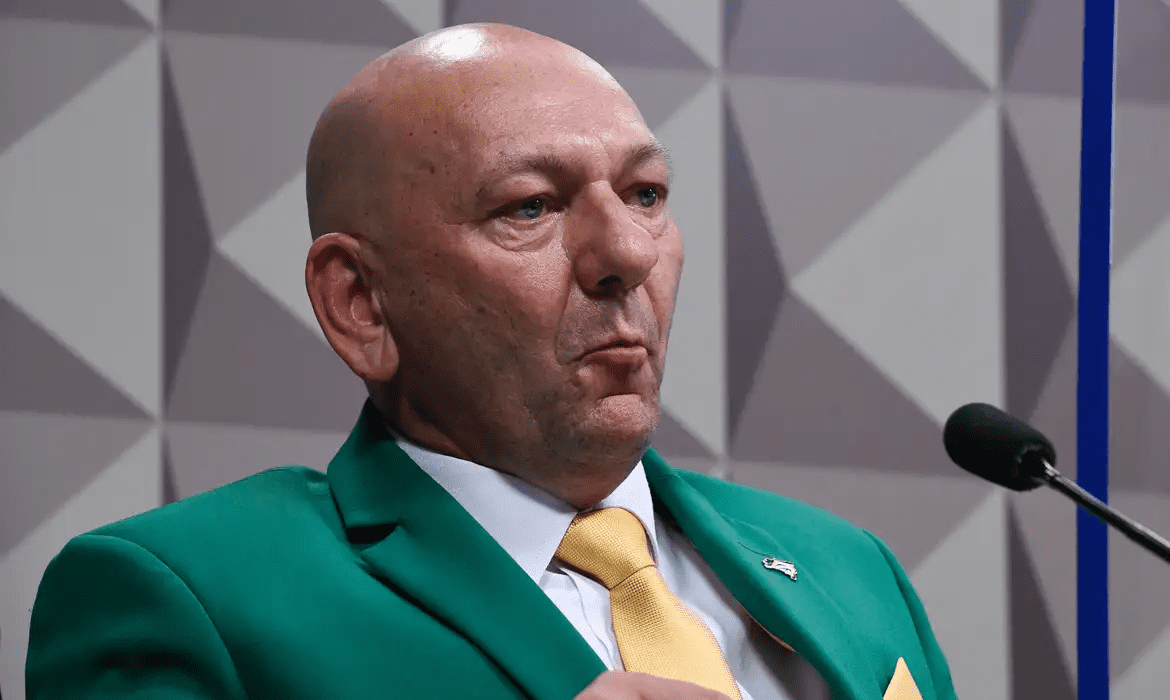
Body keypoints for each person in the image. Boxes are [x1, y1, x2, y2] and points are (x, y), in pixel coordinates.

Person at [26, 23, 955, 700]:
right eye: (529, 207)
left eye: (645, 193)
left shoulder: (850, 567)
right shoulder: (188, 597)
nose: (626, 254)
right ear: (361, 302)